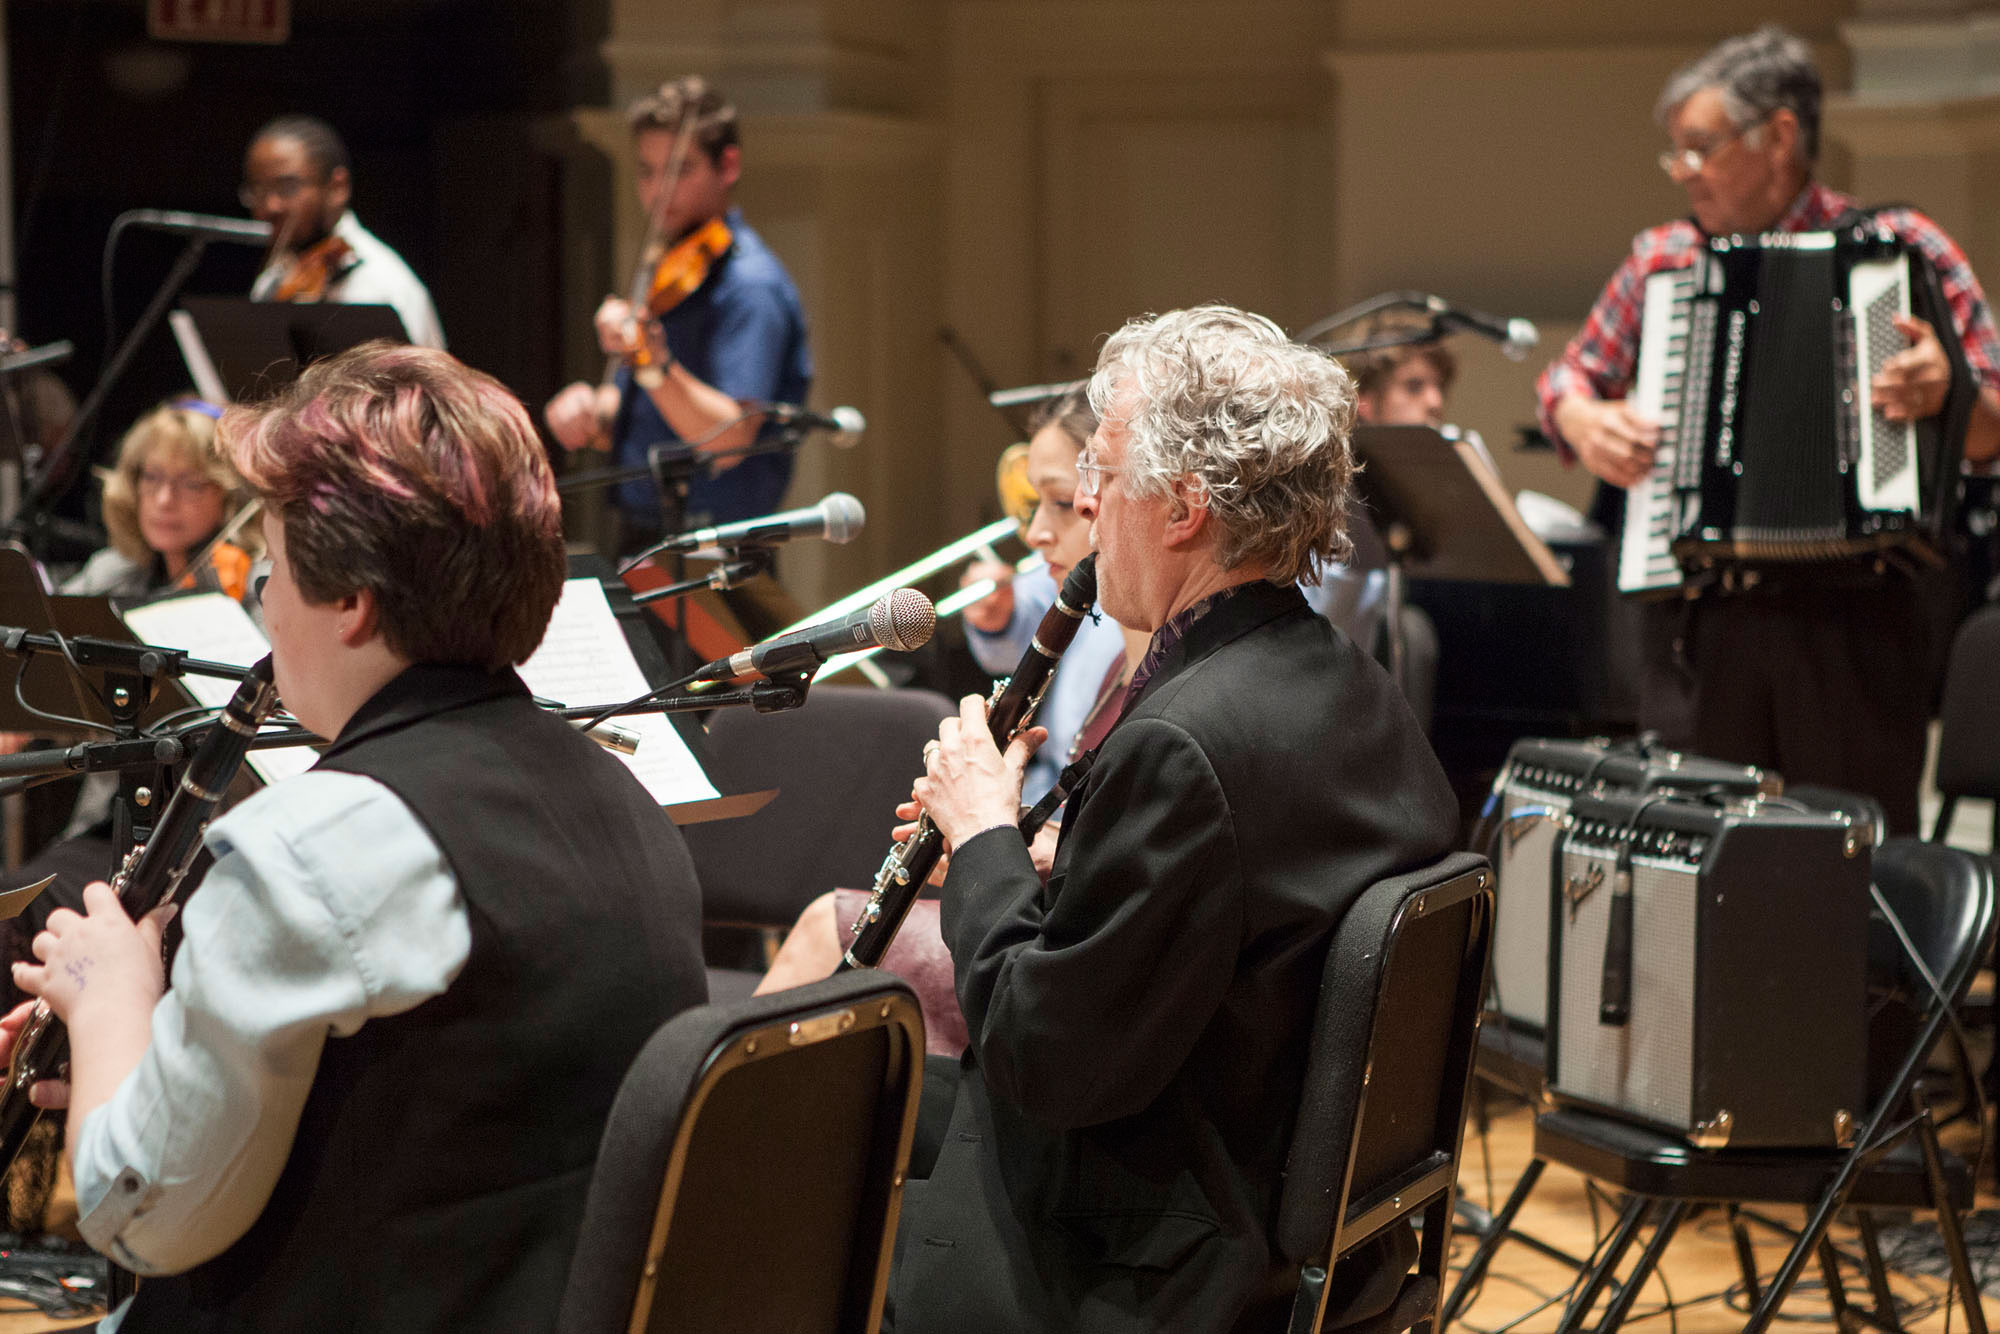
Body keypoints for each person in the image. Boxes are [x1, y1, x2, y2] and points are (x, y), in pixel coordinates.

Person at [3, 342, 706, 1331]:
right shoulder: (625, 799)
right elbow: (439, 1111)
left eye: (274, 574)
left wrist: (107, 993)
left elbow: (140, 1210)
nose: (263, 607)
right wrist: (153, 1059)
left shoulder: (312, 840)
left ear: (351, 602)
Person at [886, 305, 1459, 1332]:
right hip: (1284, 1207)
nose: (1086, 507)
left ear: (1184, 504)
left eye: (1100, 476)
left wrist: (979, 836)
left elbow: (1042, 1055)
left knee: (787, 1147)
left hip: (1147, 1255)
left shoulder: (1182, 741)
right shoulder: (1356, 694)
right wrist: (1062, 863)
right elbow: (1235, 920)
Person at [1535, 25, 2000, 834]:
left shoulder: (1905, 250)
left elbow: (1995, 425)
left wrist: (1951, 395)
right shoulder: (1664, 261)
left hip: (1857, 625)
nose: (1684, 171)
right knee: (1698, 865)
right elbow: (1566, 380)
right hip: (1695, 625)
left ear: (1779, 136)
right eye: (1675, 152)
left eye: (1700, 147)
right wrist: (1580, 416)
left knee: (1850, 867)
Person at [543, 76, 811, 551]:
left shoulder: (750, 285)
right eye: (647, 172)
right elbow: (644, 414)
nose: (657, 192)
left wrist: (653, 366)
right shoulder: (669, 266)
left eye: (680, 170)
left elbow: (730, 442)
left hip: (716, 549)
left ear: (727, 165)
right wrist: (591, 410)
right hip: (644, 532)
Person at [243, 115, 446, 349]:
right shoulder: (273, 278)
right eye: (257, 189)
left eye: (288, 187)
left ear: (337, 187)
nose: (271, 205)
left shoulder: (385, 284)